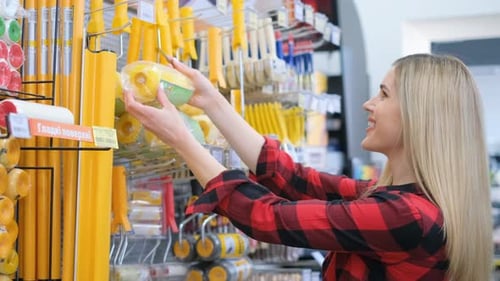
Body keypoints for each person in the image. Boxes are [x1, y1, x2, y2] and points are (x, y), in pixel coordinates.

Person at [123, 53, 492, 281]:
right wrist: (213, 103)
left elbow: (267, 219)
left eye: (383, 94)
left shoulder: (407, 216)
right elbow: (294, 178)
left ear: (420, 116)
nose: (368, 103)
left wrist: (183, 141)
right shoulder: (395, 201)